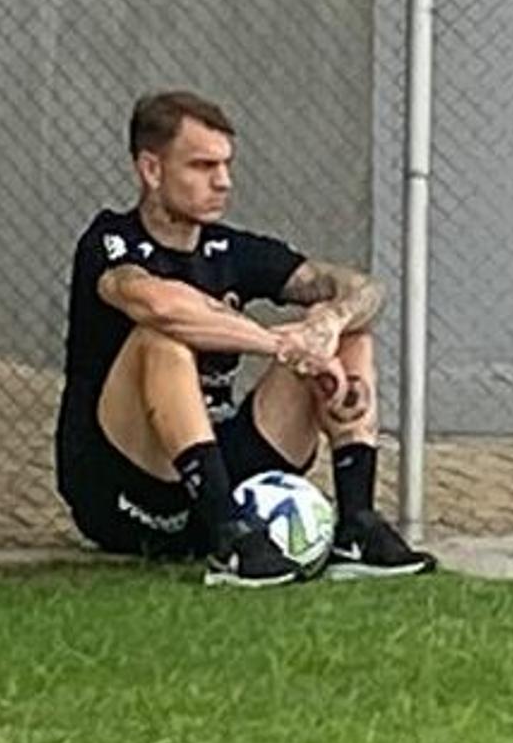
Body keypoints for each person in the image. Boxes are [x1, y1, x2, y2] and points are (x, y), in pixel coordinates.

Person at [56, 89, 434, 587]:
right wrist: (280, 343)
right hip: (127, 490)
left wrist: (328, 324)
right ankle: (226, 538)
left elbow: (364, 288)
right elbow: (161, 305)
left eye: (226, 165)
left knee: (349, 332)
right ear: (151, 170)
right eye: (202, 166)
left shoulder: (231, 249)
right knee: (161, 340)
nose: (223, 181)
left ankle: (357, 528)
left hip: (219, 459)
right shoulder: (111, 242)